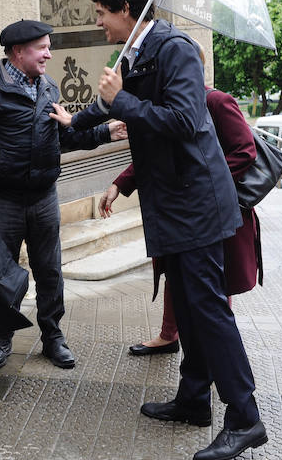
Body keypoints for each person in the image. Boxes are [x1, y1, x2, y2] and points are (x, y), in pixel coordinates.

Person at [49, 0, 267, 460]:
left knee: (208, 310)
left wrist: (119, 99)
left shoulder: (176, 48)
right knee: (187, 307)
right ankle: (194, 399)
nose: (99, 24)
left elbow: (186, 120)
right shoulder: (135, 50)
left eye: (103, 14)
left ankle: (245, 417)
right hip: (170, 203)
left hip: (196, 204)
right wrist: (73, 124)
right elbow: (117, 107)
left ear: (126, 8)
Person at [0, 19, 126, 371]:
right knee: (1, 271)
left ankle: (53, 336)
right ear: (18, 51)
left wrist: (105, 132)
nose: (49, 53)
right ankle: (0, 337)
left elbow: (63, 138)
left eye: (48, 46)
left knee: (50, 271)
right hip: (2, 199)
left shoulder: (48, 87)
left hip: (44, 196)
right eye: (42, 47)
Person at [99, 84, 262, 357]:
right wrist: (120, 184)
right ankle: (169, 336)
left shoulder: (218, 101)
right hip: (180, 210)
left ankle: (218, 349)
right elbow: (154, 154)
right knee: (175, 272)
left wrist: (203, 185)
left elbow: (245, 151)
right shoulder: (170, 106)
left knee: (215, 281)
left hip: (214, 211)